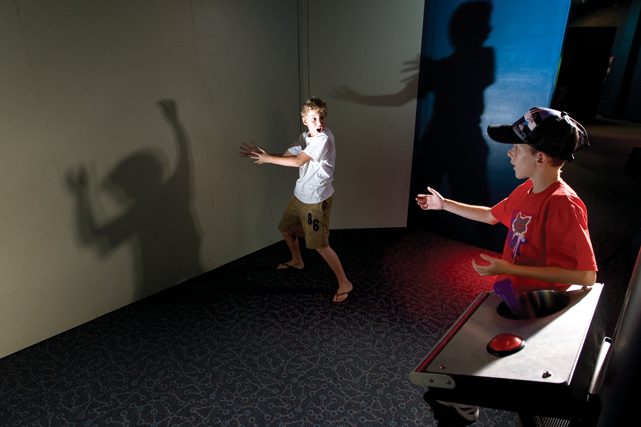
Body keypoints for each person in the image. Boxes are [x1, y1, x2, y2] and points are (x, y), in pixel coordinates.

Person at [416, 107, 598, 422]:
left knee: (523, 376)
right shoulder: (526, 188)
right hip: (513, 293)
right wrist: (444, 205)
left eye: (517, 148)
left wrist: (511, 269)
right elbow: (490, 215)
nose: (510, 154)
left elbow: (586, 275)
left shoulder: (563, 204)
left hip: (542, 308)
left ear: (541, 158)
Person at [240, 97, 353, 305]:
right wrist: (263, 155)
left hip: (316, 200)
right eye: (314, 118)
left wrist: (268, 160)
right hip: (300, 195)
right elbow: (286, 156)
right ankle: (297, 260)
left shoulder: (323, 139)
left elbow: (298, 161)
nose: (319, 123)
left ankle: (345, 282)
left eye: (322, 117)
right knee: (285, 228)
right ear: (305, 121)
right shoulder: (304, 137)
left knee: (320, 245)